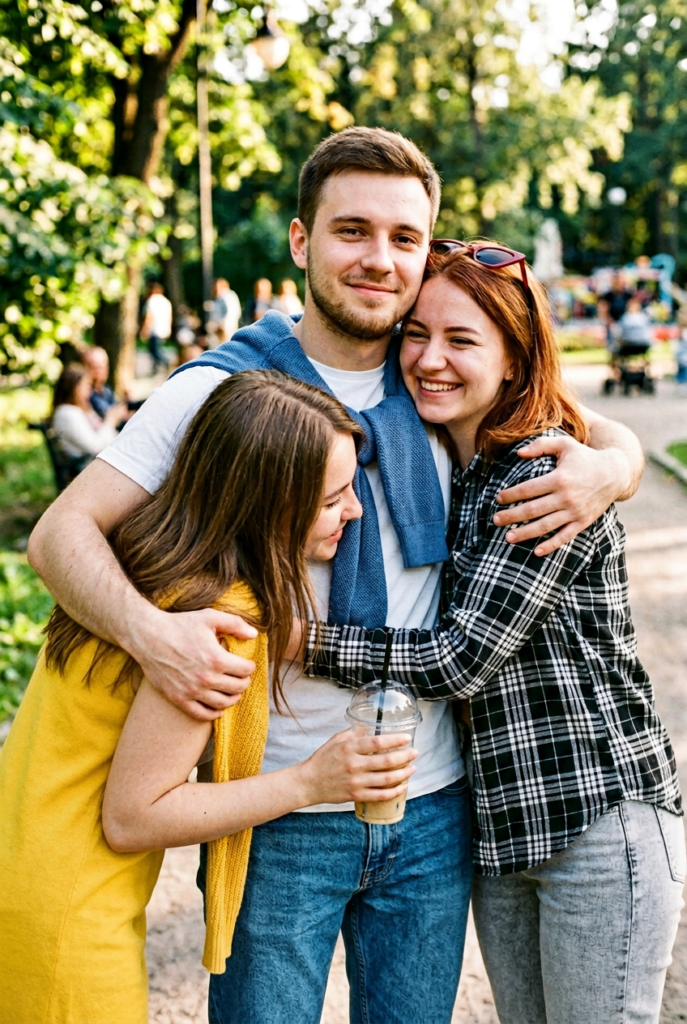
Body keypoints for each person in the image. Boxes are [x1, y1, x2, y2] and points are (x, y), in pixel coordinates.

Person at [28, 128, 645, 1024]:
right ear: (300, 242)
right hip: (275, 810)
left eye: (404, 239)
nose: (379, 260)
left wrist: (612, 469)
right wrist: (154, 635)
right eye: (351, 230)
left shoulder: (436, 377)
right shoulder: (221, 391)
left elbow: (573, 415)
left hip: (430, 803)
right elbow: (60, 534)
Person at [299, 242, 685, 1024]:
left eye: (461, 341)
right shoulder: (448, 456)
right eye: (417, 334)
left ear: (513, 360)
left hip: (593, 818)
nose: (429, 359)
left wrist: (299, 641)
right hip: (505, 829)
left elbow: (458, 658)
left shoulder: (540, 471)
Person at [0, 371, 418, 1024]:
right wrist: (310, 782)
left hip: (21, 872)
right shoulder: (217, 617)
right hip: (68, 919)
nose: (355, 511)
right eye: (334, 497)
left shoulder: (142, 556)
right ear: (270, 502)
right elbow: (134, 817)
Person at [51, 362, 126, 464]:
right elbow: (95, 446)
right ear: (75, 388)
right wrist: (110, 421)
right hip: (89, 465)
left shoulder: (76, 410)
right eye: (86, 386)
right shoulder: (67, 413)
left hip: (100, 461)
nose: (89, 392)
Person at [140, 282, 173, 372]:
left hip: (154, 330)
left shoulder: (152, 301)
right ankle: (156, 369)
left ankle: (167, 362)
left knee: (154, 351)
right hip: (164, 329)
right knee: (157, 349)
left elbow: (149, 317)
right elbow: (170, 317)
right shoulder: (166, 301)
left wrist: (144, 330)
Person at [208, 278, 242, 347]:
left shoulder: (228, 295)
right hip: (218, 330)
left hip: (226, 329)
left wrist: (224, 324)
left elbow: (232, 311)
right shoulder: (218, 299)